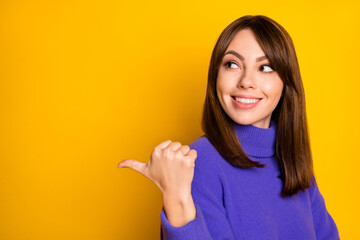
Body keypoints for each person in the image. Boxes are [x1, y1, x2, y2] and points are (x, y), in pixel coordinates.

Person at [118, 15, 340, 239]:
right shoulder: (200, 162)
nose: (246, 81)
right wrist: (175, 196)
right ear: (216, 76)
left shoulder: (293, 159)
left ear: (286, 83)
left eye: (265, 67)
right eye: (232, 64)